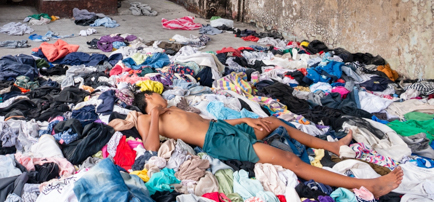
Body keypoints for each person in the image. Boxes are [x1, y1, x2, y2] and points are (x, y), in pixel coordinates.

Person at [134, 91, 403, 198]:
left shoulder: (173, 108)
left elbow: (210, 122)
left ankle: (331, 147)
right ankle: (368, 186)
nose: (161, 94)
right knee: (291, 162)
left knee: (274, 122)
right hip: (219, 143)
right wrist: (155, 112)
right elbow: (150, 147)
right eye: (155, 94)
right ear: (147, 98)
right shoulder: (149, 118)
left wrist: (244, 120)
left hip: (225, 129)